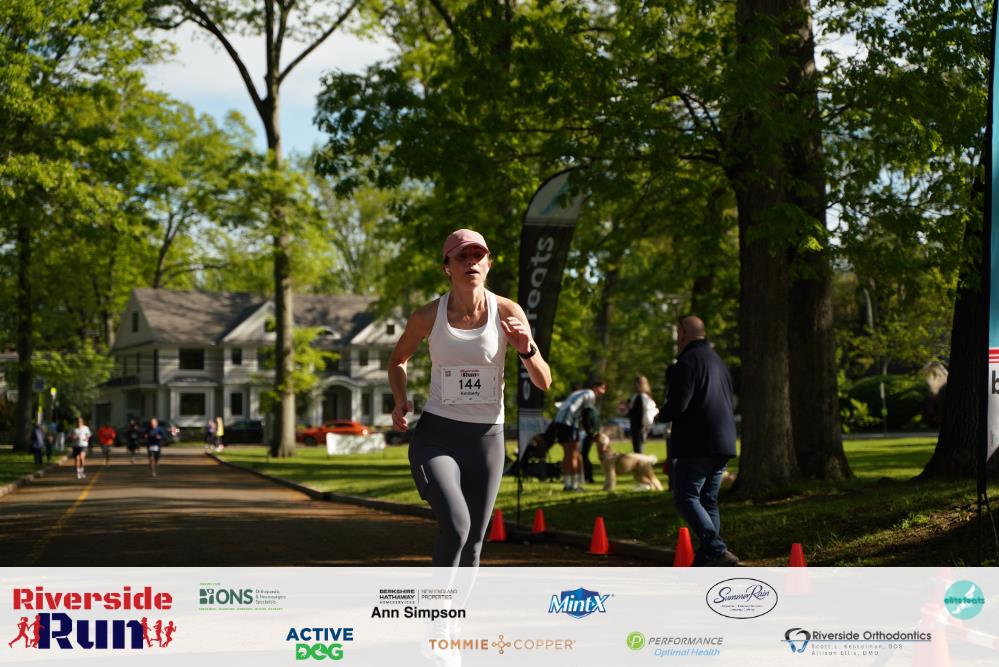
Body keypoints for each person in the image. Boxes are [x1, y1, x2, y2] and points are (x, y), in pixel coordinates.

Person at [388, 228, 552, 567]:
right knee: (457, 527)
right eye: (461, 256)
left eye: (478, 255)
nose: (471, 262)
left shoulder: (508, 311)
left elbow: (544, 381)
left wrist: (527, 350)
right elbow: (397, 360)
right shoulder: (427, 316)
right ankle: (440, 602)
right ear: (447, 267)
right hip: (437, 436)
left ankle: (455, 604)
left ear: (488, 264)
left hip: (487, 439)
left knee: (475, 542)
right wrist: (400, 398)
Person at [656, 315, 738, 566]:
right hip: (724, 440)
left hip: (698, 441)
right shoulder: (718, 361)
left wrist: (661, 414)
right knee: (708, 500)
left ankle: (716, 548)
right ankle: (708, 557)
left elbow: (679, 403)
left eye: (677, 333)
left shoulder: (687, 362)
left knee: (686, 496)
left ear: (682, 333)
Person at [552, 380, 608, 491]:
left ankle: (567, 484)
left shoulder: (579, 392)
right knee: (574, 454)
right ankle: (574, 485)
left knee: (567, 454)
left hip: (559, 421)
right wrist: (591, 433)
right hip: (569, 423)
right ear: (595, 387)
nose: (603, 391)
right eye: (602, 388)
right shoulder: (590, 395)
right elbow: (587, 414)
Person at [627, 375, 658, 454]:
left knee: (638, 449)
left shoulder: (640, 397)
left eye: (636, 383)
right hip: (641, 426)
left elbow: (638, 413)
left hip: (638, 426)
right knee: (638, 447)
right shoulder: (645, 396)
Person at [579, 404, 601, 485]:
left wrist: (590, 433)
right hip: (589, 434)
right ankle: (587, 476)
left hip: (586, 435)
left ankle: (587, 477)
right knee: (584, 455)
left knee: (584, 455)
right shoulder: (594, 410)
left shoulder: (588, 411)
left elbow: (586, 422)